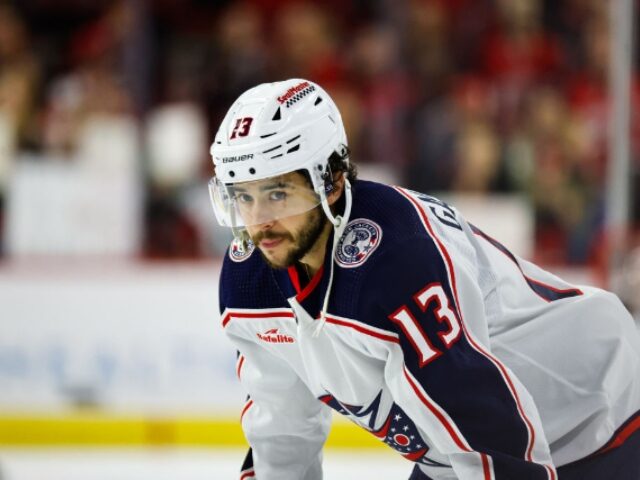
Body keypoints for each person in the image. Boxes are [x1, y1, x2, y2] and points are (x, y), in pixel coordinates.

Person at [208, 78, 640, 480]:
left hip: (596, 408)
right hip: (468, 445)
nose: (258, 221)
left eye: (278, 193)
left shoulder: (396, 260)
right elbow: (281, 429)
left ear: (333, 182)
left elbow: (483, 422)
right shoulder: (250, 279)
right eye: (243, 196)